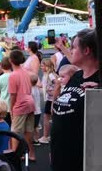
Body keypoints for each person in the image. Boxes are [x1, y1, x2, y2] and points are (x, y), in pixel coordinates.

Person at [51, 29, 99, 171]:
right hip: (60, 157)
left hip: (82, 161)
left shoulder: (98, 81)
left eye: (73, 47)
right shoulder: (76, 76)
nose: (70, 50)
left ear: (87, 51)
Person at [9, 50, 36, 161]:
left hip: (20, 105)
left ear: (11, 60)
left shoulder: (13, 75)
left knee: (15, 132)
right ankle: (31, 154)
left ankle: (15, 155)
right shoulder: (25, 71)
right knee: (28, 131)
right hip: (30, 103)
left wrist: (11, 109)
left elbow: (13, 95)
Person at [38, 58, 57, 144]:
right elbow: (43, 85)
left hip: (51, 99)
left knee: (46, 118)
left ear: (47, 66)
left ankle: (45, 136)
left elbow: (57, 83)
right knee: (48, 118)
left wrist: (53, 91)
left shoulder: (50, 75)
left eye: (42, 65)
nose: (41, 67)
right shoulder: (46, 75)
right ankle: (48, 136)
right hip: (49, 99)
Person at [0, 57, 12, 126]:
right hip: (14, 105)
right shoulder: (15, 75)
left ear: (1, 66)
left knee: (5, 125)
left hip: (4, 105)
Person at [30, 74, 42, 147]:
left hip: (33, 111)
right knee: (36, 126)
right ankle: (36, 139)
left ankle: (32, 139)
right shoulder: (37, 88)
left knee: (31, 127)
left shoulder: (31, 90)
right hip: (38, 110)